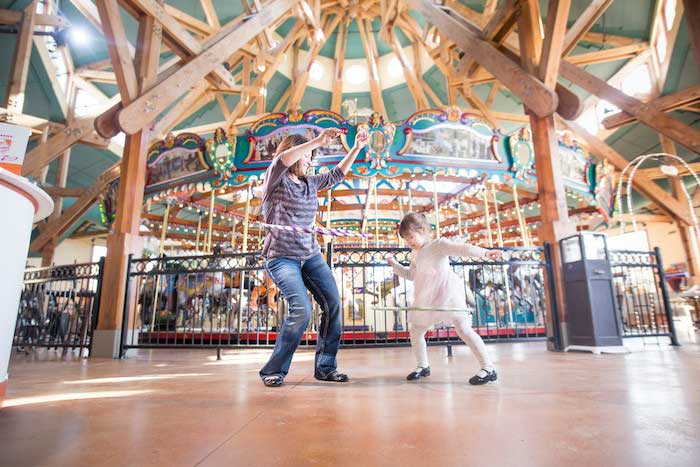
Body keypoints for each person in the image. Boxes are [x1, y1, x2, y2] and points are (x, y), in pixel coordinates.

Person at [259, 127, 369, 387]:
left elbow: (337, 175)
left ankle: (326, 366)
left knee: (333, 304)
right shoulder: (275, 178)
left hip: (310, 255)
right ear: (295, 152)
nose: (310, 159)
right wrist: (317, 141)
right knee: (301, 310)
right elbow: (281, 160)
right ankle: (273, 370)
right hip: (282, 257)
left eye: (312, 155)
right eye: (307, 154)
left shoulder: (310, 183)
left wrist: (355, 149)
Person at [386, 212, 503, 385]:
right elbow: (411, 275)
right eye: (405, 239)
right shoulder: (415, 253)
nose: (409, 242)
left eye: (411, 236)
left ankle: (488, 367)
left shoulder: (438, 245)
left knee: (463, 329)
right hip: (427, 296)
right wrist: (395, 265)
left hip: (447, 293)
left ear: (423, 230)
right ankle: (422, 365)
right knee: (417, 330)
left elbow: (463, 249)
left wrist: (485, 253)